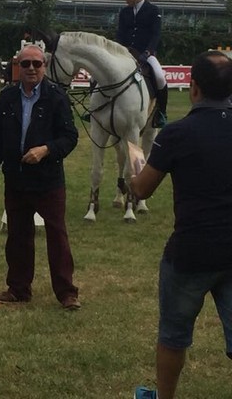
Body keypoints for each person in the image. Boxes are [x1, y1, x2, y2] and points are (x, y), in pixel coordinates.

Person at [130, 50, 232, 399]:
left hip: (191, 251)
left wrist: (134, 169)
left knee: (173, 336)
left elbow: (142, 188)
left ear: (194, 88)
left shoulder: (176, 134)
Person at [0, 43, 81, 310]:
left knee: (57, 236)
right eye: (25, 64)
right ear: (18, 66)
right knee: (17, 236)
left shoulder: (57, 97)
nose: (30, 69)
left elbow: (70, 137)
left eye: (36, 64)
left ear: (44, 67)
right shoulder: (7, 97)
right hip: (15, 179)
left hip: (48, 179)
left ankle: (66, 293)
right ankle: (18, 289)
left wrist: (46, 150)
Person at [117, 0, 168, 127]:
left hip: (146, 53)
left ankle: (161, 113)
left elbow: (156, 34)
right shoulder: (124, 12)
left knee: (160, 77)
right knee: (95, 77)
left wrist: (148, 52)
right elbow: (120, 34)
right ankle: (95, 110)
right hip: (126, 53)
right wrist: (118, 49)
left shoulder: (153, 10)